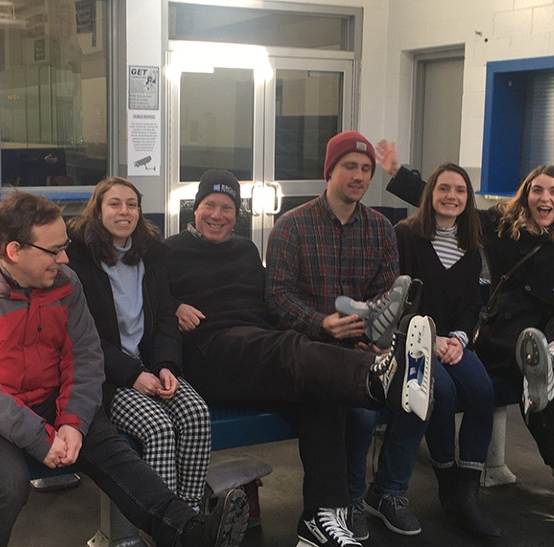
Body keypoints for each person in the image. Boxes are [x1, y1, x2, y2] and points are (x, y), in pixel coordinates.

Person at [0, 191, 249, 547]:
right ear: (14, 251)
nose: (64, 258)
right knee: (7, 485)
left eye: (64, 246)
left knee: (115, 453)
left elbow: (84, 355)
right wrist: (40, 437)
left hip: (50, 398)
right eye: (54, 251)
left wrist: (73, 421)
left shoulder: (64, 282)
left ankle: (190, 533)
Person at [164, 168, 435, 547]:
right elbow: (144, 300)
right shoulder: (170, 251)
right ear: (195, 209)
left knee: (320, 391)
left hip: (258, 350)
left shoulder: (246, 250)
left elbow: (273, 302)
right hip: (211, 353)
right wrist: (173, 306)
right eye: (209, 205)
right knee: (286, 348)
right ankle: (380, 379)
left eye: (226, 207)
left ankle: (321, 517)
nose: (217, 214)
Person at [381, 140, 554, 511]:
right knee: (529, 363)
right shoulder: (502, 225)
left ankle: (550, 364)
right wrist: (398, 172)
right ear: (525, 197)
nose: (545, 198)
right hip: (512, 332)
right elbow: (451, 201)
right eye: (537, 190)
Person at [264, 130, 430, 541]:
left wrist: (378, 334)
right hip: (314, 351)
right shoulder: (291, 227)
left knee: (425, 390)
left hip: (367, 347)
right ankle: (350, 500)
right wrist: (321, 323)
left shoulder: (381, 229)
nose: (359, 176)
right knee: (359, 412)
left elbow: (388, 293)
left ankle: (388, 492)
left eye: (366, 169)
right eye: (349, 167)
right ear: (330, 170)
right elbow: (278, 295)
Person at [67, 177, 211, 511]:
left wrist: (166, 366)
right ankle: (164, 523)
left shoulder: (151, 254)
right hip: (107, 376)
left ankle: (188, 516)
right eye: (114, 204)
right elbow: (81, 338)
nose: (124, 211)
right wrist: (132, 375)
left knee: (196, 413)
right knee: (158, 428)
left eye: (132, 204)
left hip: (147, 363)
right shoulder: (79, 259)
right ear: (98, 209)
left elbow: (163, 318)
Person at [392, 162, 500, 536]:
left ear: (468, 199)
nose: (451, 196)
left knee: (483, 391)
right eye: (443, 189)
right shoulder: (404, 236)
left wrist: (458, 339)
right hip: (413, 341)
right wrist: (429, 339)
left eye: (460, 190)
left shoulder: (471, 247)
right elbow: (398, 300)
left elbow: (472, 304)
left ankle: (466, 495)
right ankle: (446, 482)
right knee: (444, 390)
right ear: (430, 193)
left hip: (452, 341)